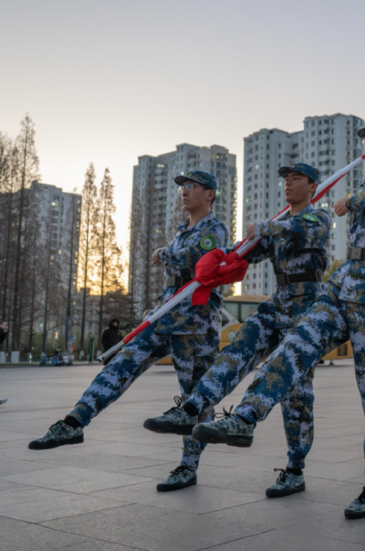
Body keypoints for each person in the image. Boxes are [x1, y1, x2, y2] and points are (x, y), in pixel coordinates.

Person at [159, 120, 365, 520]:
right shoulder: (364, 188)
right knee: (292, 350)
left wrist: (350, 200)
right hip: (341, 285)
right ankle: (245, 417)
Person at [29, 170, 228, 492]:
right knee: (120, 365)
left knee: (195, 400)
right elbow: (177, 272)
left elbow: (197, 258)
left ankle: (187, 467)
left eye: (192, 186)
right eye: (183, 186)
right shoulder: (182, 230)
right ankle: (74, 422)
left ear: (210, 194)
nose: (184, 191)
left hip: (196, 323)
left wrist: (164, 253)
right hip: (164, 315)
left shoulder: (215, 229)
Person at [143, 163, 331, 498]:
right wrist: (219, 258)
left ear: (313, 186)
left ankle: (295, 470)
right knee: (235, 352)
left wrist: (267, 228)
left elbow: (300, 230)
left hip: (307, 307)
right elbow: (244, 253)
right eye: (286, 179)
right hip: (278, 301)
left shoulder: (316, 218)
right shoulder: (277, 225)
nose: (288, 184)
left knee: (296, 395)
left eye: (296, 179)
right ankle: (189, 410)